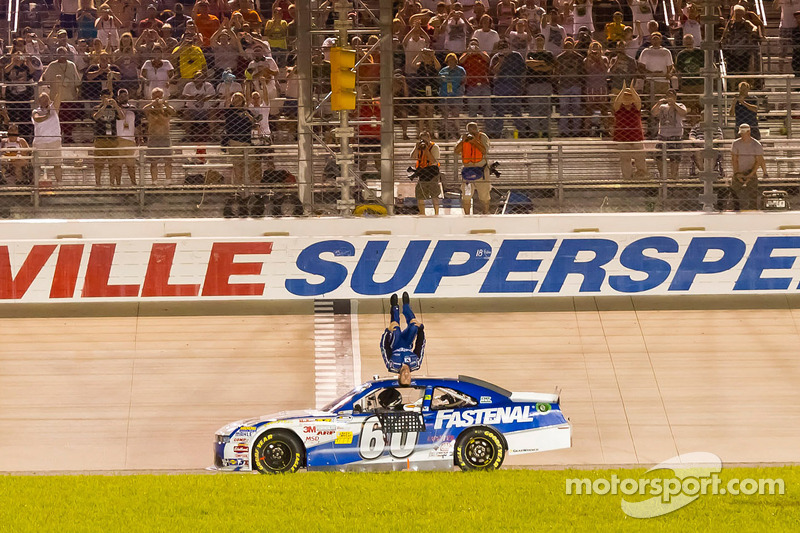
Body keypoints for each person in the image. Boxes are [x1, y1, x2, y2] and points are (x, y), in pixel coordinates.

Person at [380, 292, 425, 386]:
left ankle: (394, 307)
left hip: (395, 344)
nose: (406, 374)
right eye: (408, 378)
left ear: (399, 376)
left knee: (395, 328)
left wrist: (387, 332)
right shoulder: (416, 364)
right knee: (414, 327)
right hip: (407, 343)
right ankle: (406, 306)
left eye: (404, 377)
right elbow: (420, 345)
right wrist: (421, 329)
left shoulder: (392, 365)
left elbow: (384, 347)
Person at [221, 92, 259, 184]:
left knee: (251, 164)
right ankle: (239, 186)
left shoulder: (247, 111)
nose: (237, 101)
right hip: (235, 141)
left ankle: (252, 185)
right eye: (235, 99)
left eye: (239, 99)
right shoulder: (229, 111)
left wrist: (246, 114)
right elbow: (226, 102)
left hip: (247, 141)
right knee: (238, 165)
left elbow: (255, 123)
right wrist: (227, 87)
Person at [613, 82, 648, 180]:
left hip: (636, 137)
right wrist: (623, 90)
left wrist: (632, 90)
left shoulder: (635, 108)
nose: (627, 99)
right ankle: (627, 179)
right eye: (625, 97)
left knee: (640, 159)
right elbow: (616, 103)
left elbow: (638, 101)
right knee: (625, 160)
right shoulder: (619, 108)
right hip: (623, 137)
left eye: (629, 97)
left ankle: (642, 178)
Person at [454, 121, 491, 214]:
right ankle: (466, 215)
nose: (472, 132)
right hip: (467, 171)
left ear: (477, 129)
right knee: (466, 195)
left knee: (484, 195)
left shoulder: (482, 137)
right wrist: (463, 141)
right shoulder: (463, 138)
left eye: (474, 130)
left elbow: (484, 150)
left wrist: (474, 141)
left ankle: (485, 213)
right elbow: (456, 151)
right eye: (470, 130)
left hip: (481, 169)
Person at [651, 89, 687, 179]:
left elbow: (684, 112)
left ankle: (673, 177)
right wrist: (658, 103)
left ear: (675, 96)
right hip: (662, 135)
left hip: (675, 136)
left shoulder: (680, 105)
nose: (669, 97)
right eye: (668, 95)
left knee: (674, 159)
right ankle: (663, 177)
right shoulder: (662, 106)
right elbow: (653, 112)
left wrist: (673, 104)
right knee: (659, 157)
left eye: (671, 95)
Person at [142, 87, 176, 183]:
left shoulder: (166, 109)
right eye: (155, 95)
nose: (157, 98)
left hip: (165, 137)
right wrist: (153, 103)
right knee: (153, 162)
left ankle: (168, 180)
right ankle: (154, 181)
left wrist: (164, 103)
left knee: (168, 161)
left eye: (159, 95)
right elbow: (144, 109)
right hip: (153, 138)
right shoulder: (150, 109)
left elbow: (173, 111)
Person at [730, 123, 767, 210]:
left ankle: (753, 210)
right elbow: (734, 160)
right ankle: (735, 210)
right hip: (739, 171)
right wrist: (737, 173)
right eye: (741, 133)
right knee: (733, 192)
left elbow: (759, 161)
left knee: (753, 194)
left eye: (744, 132)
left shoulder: (756, 144)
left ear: (749, 132)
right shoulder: (736, 143)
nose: (742, 135)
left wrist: (751, 174)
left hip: (751, 170)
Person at [92, 88, 124, 186]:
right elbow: (96, 117)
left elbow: (122, 117)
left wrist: (116, 106)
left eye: (109, 97)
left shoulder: (114, 108)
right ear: (101, 98)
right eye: (105, 97)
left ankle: (112, 183)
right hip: (100, 138)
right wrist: (104, 105)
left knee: (113, 163)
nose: (107, 99)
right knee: (98, 164)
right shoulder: (97, 107)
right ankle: (98, 183)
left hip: (112, 139)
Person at [32, 88, 64, 183]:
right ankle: (36, 184)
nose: (45, 101)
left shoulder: (54, 108)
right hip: (40, 142)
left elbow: (59, 95)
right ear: (39, 101)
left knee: (57, 164)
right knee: (37, 165)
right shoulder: (36, 111)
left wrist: (58, 84)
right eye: (43, 99)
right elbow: (37, 119)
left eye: (47, 99)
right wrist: (47, 116)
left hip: (54, 141)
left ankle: (59, 183)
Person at [113, 88, 139, 186]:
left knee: (131, 165)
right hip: (119, 138)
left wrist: (138, 137)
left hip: (130, 139)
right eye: (122, 96)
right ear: (118, 97)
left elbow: (137, 124)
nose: (124, 97)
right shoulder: (115, 109)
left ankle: (134, 183)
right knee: (118, 165)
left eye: (125, 95)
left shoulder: (133, 109)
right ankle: (118, 184)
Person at [411, 131, 442, 215]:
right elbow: (413, 157)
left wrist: (426, 150)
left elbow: (433, 161)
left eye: (426, 140)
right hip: (422, 172)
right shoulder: (418, 147)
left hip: (432, 171)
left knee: (434, 194)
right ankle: (422, 213)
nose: (424, 142)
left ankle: (436, 213)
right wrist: (417, 148)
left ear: (429, 139)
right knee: (420, 194)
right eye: (422, 140)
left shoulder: (434, 147)